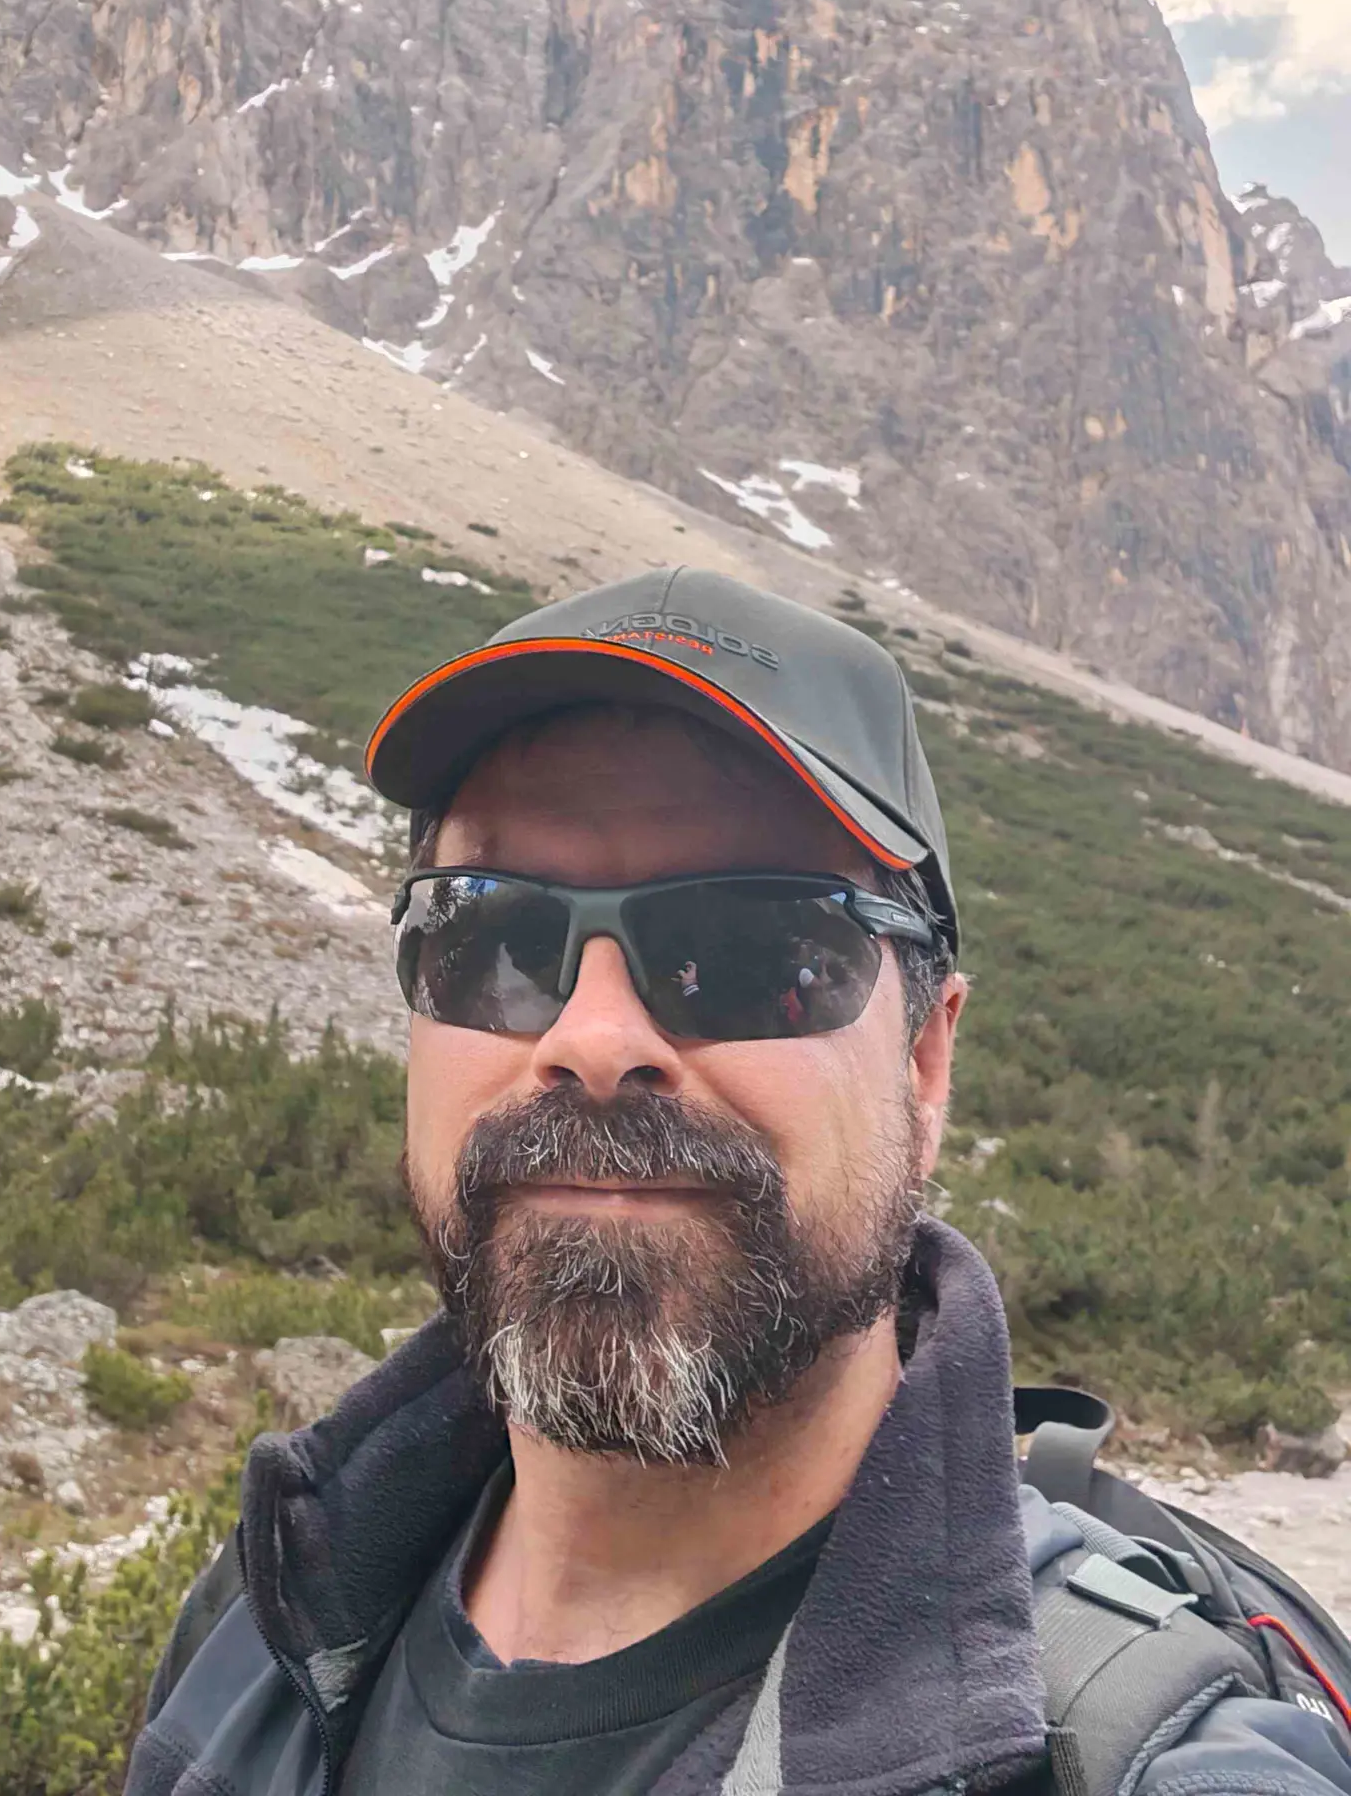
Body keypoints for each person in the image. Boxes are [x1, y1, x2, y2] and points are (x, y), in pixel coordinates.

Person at [125, 568, 1351, 1796]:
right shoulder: (270, 1608)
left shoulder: (1137, 1758)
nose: (593, 1038)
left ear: (925, 1061)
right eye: (490, 937)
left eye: (752, 944)